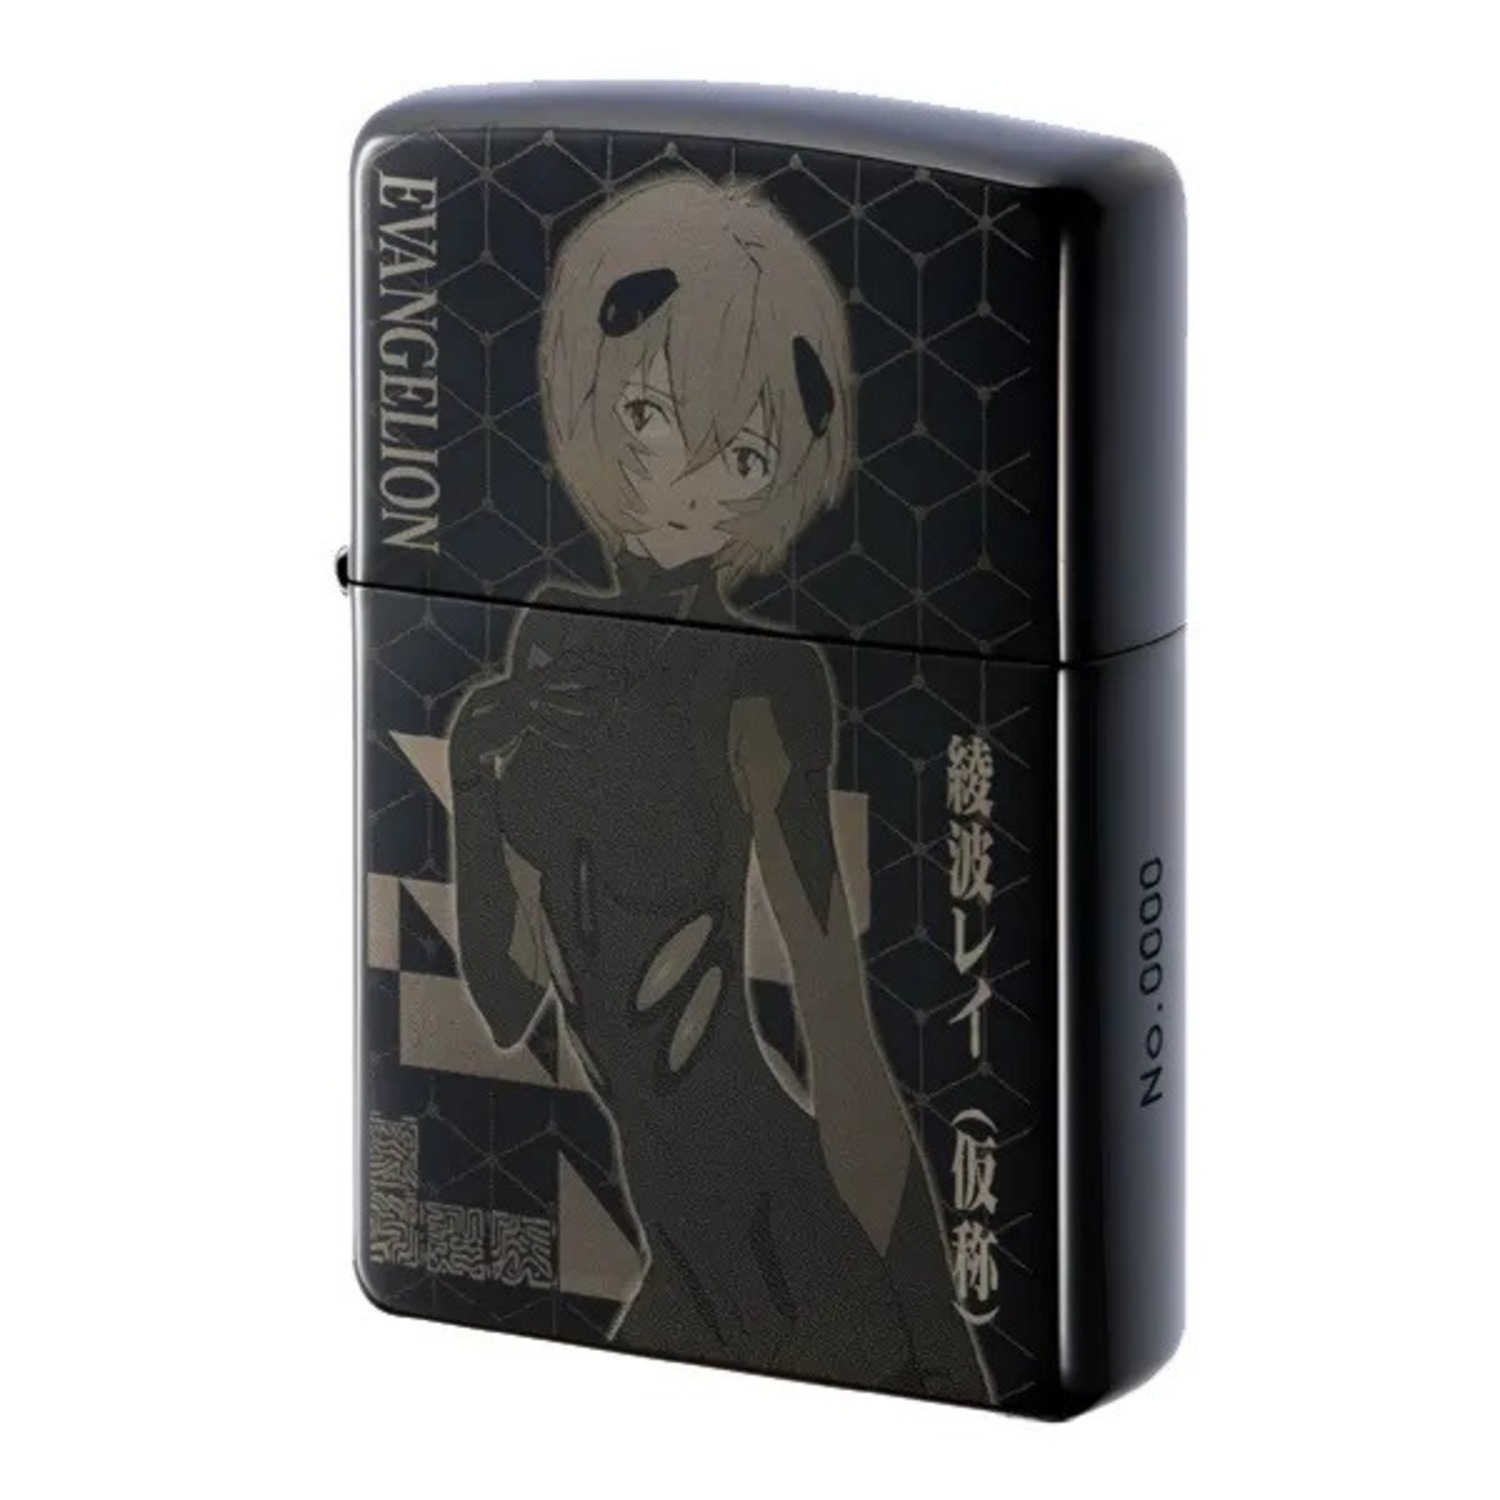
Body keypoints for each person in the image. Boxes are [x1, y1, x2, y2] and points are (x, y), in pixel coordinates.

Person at [447, 174, 991, 1402]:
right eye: (650, 413)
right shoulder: (546, 642)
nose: (687, 479)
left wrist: (928, 1317)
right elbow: (508, 1003)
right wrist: (474, 787)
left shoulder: (765, 681)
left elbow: (835, 1013)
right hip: (678, 1242)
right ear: (590, 393)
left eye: (743, 452)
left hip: (787, 1235)